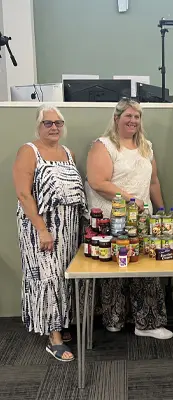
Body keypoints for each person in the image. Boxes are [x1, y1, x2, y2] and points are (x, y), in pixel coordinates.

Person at [85, 98, 172, 340]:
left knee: (145, 269)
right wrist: (130, 198)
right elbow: (97, 181)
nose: (133, 121)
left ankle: (147, 323)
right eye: (128, 116)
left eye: (137, 117)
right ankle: (114, 319)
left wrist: (161, 209)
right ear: (116, 118)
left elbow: (153, 181)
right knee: (113, 271)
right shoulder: (103, 146)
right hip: (110, 219)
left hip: (142, 220)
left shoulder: (146, 146)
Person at [13, 104, 85, 361]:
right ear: (39, 126)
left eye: (58, 123)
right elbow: (23, 193)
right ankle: (53, 338)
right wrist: (43, 230)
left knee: (63, 277)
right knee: (47, 278)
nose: (54, 127)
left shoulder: (68, 153)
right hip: (40, 229)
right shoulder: (28, 151)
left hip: (68, 229)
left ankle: (59, 323)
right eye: (48, 123)